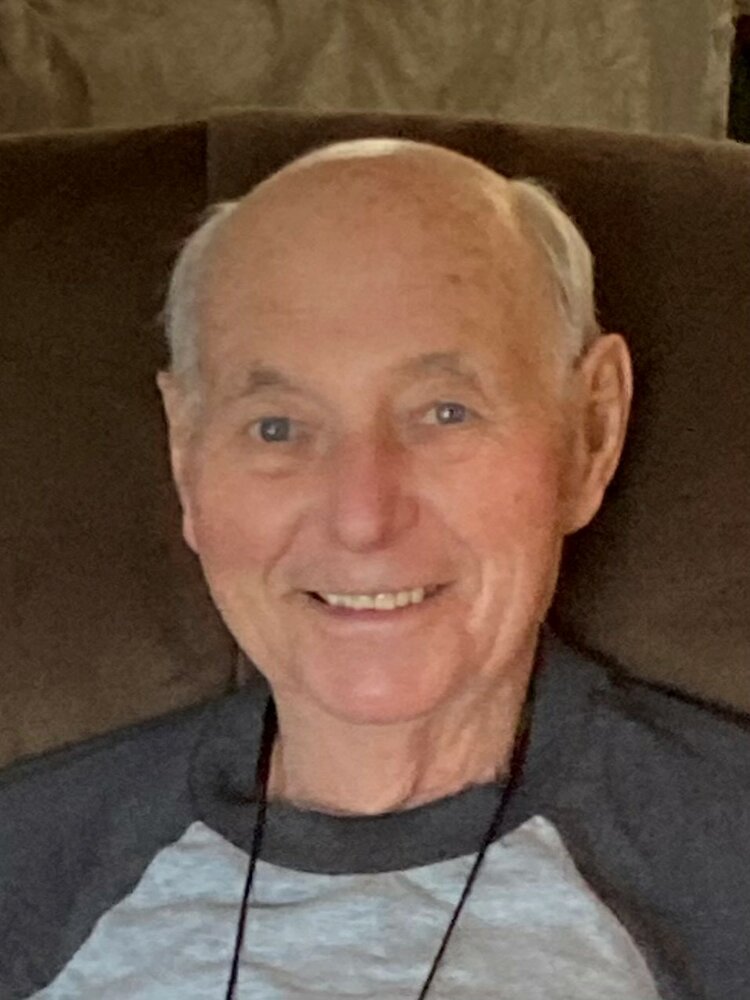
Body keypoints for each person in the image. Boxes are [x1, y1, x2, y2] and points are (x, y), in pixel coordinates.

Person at [1, 137, 749, 1000]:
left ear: (591, 431)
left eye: (444, 412)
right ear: (185, 454)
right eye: (277, 427)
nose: (362, 516)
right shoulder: (25, 866)